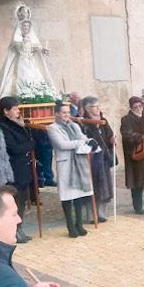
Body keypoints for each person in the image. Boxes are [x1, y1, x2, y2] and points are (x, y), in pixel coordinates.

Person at [48, 101, 97, 236]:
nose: (66, 115)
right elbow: (61, 144)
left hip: (78, 163)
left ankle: (79, 224)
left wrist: (89, 140)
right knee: (67, 196)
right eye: (63, 112)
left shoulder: (74, 126)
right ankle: (70, 226)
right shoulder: (53, 128)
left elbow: (82, 137)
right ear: (57, 114)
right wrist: (80, 143)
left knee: (78, 195)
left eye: (68, 112)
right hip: (65, 164)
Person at [0, 96, 36, 242]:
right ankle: (14, 230)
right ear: (6, 111)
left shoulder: (17, 124)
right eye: (15, 109)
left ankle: (20, 228)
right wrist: (30, 145)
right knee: (15, 201)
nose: (18, 111)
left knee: (21, 201)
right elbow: (13, 148)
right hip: (14, 169)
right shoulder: (3, 127)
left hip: (22, 167)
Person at [79, 96, 116, 216]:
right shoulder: (83, 122)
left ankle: (101, 214)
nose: (99, 109)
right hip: (92, 158)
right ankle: (90, 215)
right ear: (88, 108)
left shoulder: (103, 120)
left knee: (104, 186)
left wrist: (112, 139)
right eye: (96, 106)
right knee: (93, 186)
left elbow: (109, 134)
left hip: (103, 157)